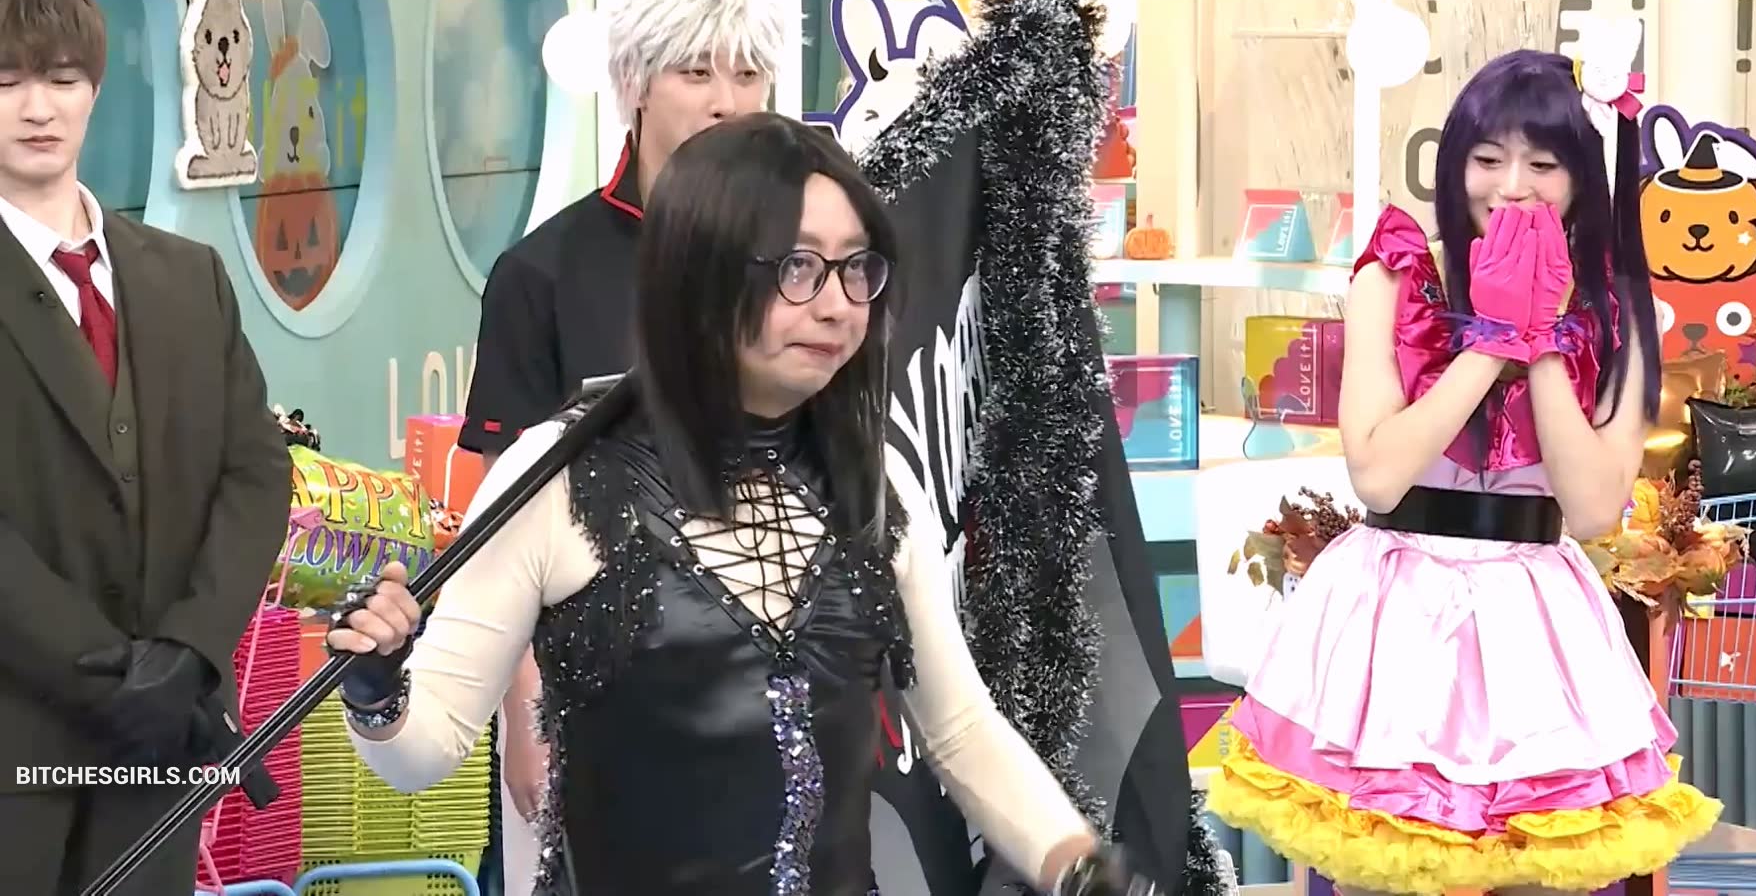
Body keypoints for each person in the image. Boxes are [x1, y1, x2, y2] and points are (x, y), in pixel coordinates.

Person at [329, 113, 1152, 896]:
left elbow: (961, 728)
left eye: (857, 267)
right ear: (701, 275)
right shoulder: (557, 477)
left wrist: (1075, 864)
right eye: (798, 268)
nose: (837, 304)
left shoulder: (877, 485)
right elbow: (426, 748)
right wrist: (374, 686)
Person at [1206, 49, 1722, 896]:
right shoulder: (1395, 275)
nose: (1512, 187)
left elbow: (1594, 506)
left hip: (1533, 619)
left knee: (1540, 864)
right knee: (1386, 863)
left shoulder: (1614, 307)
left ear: (1583, 177)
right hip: (1396, 609)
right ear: (1454, 163)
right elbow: (1378, 475)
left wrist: (1544, 338)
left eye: (1543, 165)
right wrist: (1490, 339)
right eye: (1488, 159)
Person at [454, 0, 781, 883]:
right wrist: (525, 714)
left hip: (774, 690)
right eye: (695, 73)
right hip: (591, 690)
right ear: (633, 84)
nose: (726, 102)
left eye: (748, 75)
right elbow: (498, 519)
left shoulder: (806, 269)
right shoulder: (541, 275)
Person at [0, 0, 289, 893]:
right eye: (6, 82)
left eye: (61, 78)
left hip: (160, 754)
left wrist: (192, 651)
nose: (37, 107)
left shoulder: (188, 277)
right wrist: (117, 676)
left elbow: (255, 470)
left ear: (95, 88)